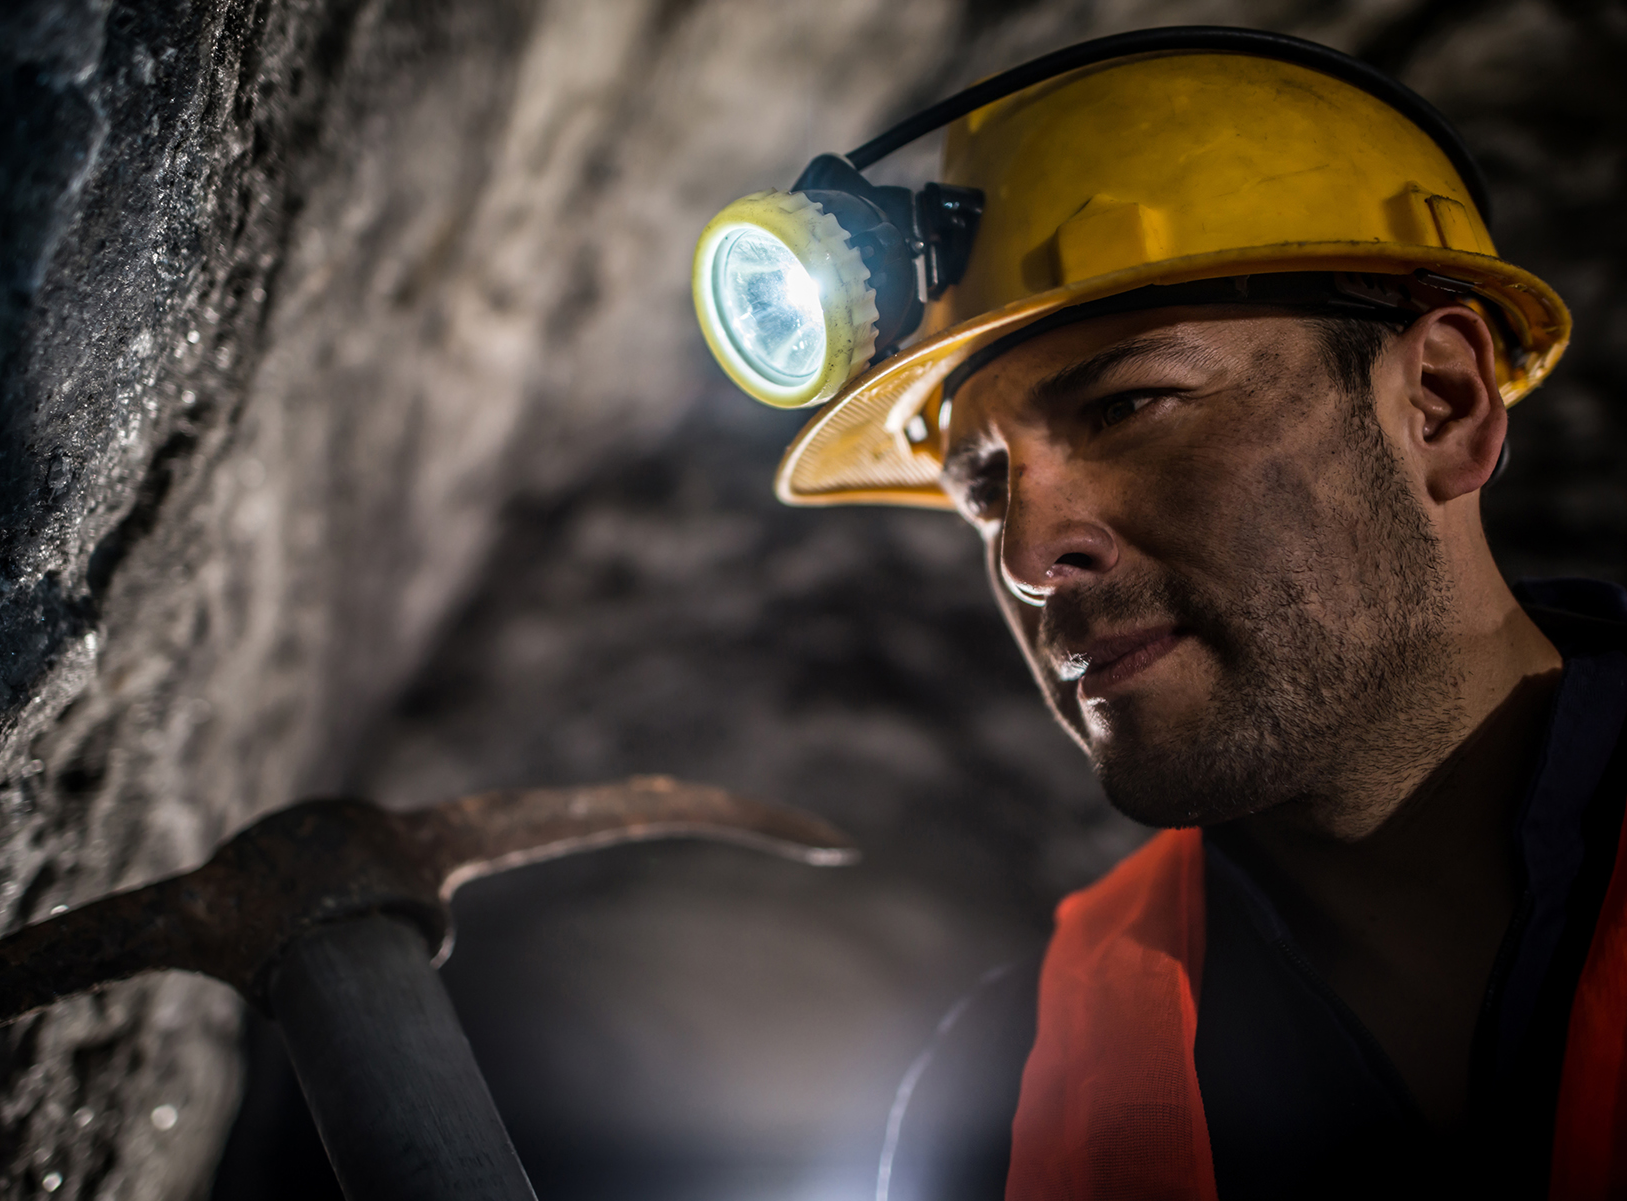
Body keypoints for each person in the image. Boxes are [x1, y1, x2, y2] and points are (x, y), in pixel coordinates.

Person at [692, 28, 1626, 1200]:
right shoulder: (1002, 1097)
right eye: (985, 490)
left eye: (1132, 404)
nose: (1030, 553)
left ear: (1440, 403)